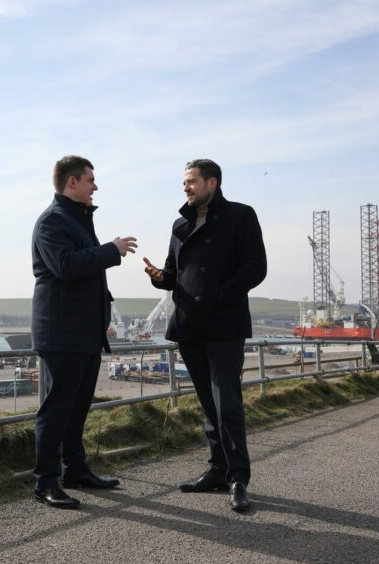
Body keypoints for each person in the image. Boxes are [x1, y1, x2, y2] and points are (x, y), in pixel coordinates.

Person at [143, 158, 266, 512]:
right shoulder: (180, 223)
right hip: (189, 325)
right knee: (208, 405)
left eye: (192, 181)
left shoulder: (241, 216)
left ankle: (238, 478)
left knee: (227, 403)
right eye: (184, 182)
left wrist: (221, 294)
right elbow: (173, 271)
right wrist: (158, 277)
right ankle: (217, 469)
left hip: (224, 323)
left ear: (212, 183)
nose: (186, 187)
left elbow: (256, 267)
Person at [31, 155, 138, 509]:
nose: (96, 185)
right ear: (72, 182)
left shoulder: (76, 219)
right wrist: (112, 250)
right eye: (91, 179)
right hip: (61, 332)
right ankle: (46, 481)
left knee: (77, 409)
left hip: (86, 332)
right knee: (56, 409)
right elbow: (64, 267)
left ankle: (75, 469)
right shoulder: (52, 222)